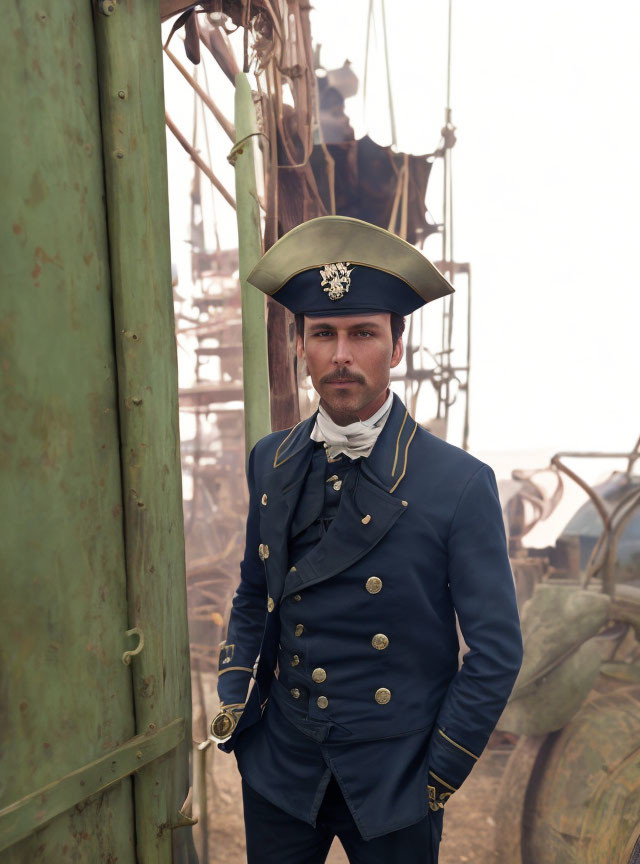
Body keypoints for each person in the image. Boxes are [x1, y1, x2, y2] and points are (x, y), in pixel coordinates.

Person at [209, 215, 523, 863]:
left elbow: (495, 652)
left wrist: (437, 773)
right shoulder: (270, 459)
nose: (342, 355)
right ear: (300, 346)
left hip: (394, 777)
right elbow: (252, 590)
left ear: (397, 347)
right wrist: (236, 701)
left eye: (363, 334)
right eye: (323, 333)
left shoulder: (459, 484)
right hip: (281, 766)